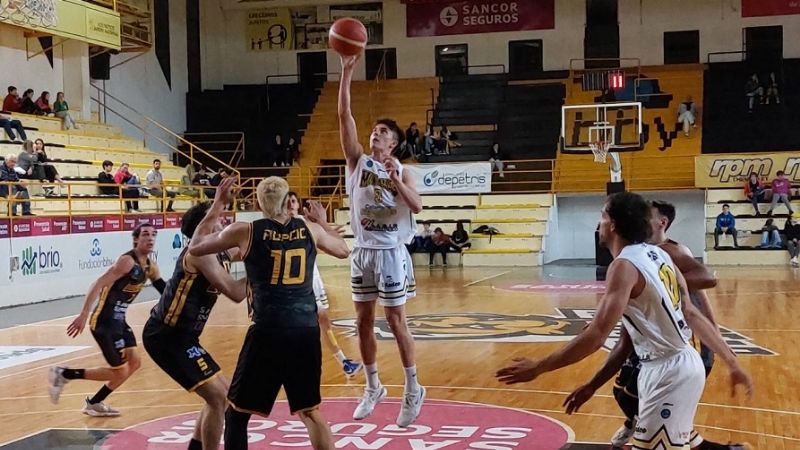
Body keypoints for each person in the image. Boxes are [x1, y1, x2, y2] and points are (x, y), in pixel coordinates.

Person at [496, 192, 754, 450]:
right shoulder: (660, 255)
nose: (599, 224)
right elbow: (691, 314)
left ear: (614, 225)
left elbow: (596, 336)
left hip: (670, 371)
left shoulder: (624, 266)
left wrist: (539, 367)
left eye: (602, 216)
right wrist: (732, 362)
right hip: (673, 365)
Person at [189, 176, 350, 450]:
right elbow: (344, 250)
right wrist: (322, 221)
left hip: (268, 331)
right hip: (305, 331)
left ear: (257, 203)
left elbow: (196, 246)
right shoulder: (309, 229)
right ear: (289, 201)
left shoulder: (246, 230)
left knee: (237, 414)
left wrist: (218, 204)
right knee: (310, 411)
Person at [339, 53, 426, 426]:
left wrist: (393, 180)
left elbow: (417, 206)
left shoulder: (403, 171)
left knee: (395, 321)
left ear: (394, 144)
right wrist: (346, 73)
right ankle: (373, 386)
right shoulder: (358, 161)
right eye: (374, 130)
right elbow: (345, 117)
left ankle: (412, 387)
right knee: (361, 323)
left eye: (384, 132)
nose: (376, 134)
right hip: (363, 252)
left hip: (391, 252)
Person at [144, 181, 247, 450]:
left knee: (220, 396)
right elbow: (236, 292)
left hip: (185, 337)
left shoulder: (217, 251)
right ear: (204, 227)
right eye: (217, 221)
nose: (222, 224)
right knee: (217, 398)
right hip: (166, 336)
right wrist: (266, 272)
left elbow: (246, 248)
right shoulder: (199, 255)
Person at [48, 224, 166, 416]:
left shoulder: (150, 267)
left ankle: (94, 403)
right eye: (145, 234)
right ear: (136, 239)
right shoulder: (127, 261)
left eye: (154, 235)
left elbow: (166, 291)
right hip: (104, 322)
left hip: (120, 321)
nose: (151, 238)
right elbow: (98, 283)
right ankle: (63, 374)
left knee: (134, 363)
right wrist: (84, 313)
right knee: (120, 371)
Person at [286, 191, 363, 378]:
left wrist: (325, 229)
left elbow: (336, 247)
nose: (290, 204)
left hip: (310, 279)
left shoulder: (306, 224)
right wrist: (324, 226)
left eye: (293, 200)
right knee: (304, 325)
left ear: (298, 205)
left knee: (322, 320)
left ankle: (343, 361)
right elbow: (341, 250)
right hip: (295, 284)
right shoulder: (299, 225)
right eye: (287, 201)